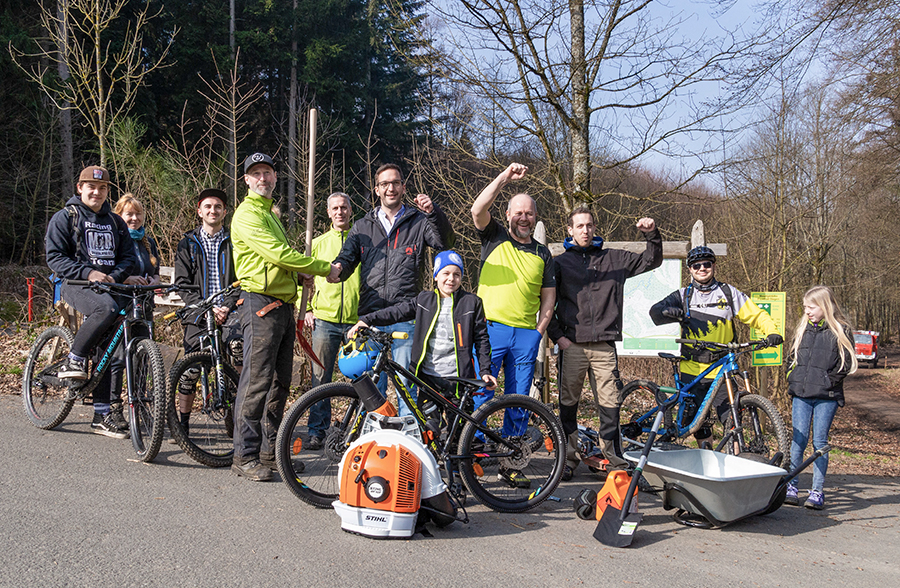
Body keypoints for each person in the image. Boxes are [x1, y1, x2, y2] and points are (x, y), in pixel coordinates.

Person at [230, 153, 342, 481]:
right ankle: (244, 455)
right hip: (259, 305)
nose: (262, 178)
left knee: (281, 383)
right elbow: (278, 254)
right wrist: (322, 268)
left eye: (267, 172)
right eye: (256, 174)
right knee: (256, 381)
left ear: (275, 177)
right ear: (247, 180)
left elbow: (276, 263)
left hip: (282, 306)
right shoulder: (247, 214)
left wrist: (298, 276)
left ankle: (270, 452)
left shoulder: (270, 215)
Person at [548, 207, 662, 480]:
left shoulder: (614, 259)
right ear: (569, 230)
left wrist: (652, 235)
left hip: (604, 346)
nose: (585, 230)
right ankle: (568, 459)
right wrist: (558, 337)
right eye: (579, 226)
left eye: (589, 225)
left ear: (595, 227)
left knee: (610, 406)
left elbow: (651, 260)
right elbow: (546, 303)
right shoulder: (559, 264)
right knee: (568, 405)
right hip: (572, 346)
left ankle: (613, 460)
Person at [332, 163, 455, 416]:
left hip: (406, 318)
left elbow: (445, 243)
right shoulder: (362, 226)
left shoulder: (419, 221)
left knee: (406, 386)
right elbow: (346, 259)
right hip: (370, 318)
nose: (391, 188)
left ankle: (408, 438)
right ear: (376, 189)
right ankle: (375, 436)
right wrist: (335, 270)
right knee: (370, 388)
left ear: (403, 187)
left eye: (396, 183)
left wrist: (434, 212)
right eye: (385, 184)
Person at [470, 163, 556, 486]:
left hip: (525, 336)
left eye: (529, 213)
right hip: (490, 330)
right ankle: (473, 456)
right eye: (518, 212)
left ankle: (511, 463)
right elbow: (478, 209)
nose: (523, 218)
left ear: (535, 217)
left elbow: (549, 299)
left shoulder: (543, 254)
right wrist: (504, 178)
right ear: (507, 215)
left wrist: (538, 332)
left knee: (519, 401)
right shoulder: (493, 235)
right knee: (481, 394)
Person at [649, 245, 783, 447]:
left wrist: (772, 332)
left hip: (722, 370)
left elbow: (757, 315)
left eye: (706, 264)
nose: (702, 268)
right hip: (692, 369)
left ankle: (736, 458)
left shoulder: (728, 293)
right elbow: (655, 312)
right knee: (696, 425)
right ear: (690, 269)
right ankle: (706, 457)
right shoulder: (683, 295)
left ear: (714, 266)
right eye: (696, 265)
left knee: (732, 420)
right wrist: (668, 312)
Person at [45, 165, 136, 438]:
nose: (97, 192)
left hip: (108, 286)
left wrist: (113, 276)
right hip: (75, 285)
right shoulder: (65, 217)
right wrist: (88, 273)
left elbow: (128, 258)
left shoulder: (116, 222)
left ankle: (101, 414)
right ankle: (74, 358)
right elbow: (55, 258)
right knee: (105, 309)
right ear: (80, 188)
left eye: (102, 188)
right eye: (91, 187)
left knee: (108, 345)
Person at [348, 250, 496, 405]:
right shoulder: (424, 300)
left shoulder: (472, 303)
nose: (451, 279)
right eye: (446, 273)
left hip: (459, 380)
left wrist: (485, 371)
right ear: (436, 275)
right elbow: (396, 312)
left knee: (459, 421)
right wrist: (367, 320)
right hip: (428, 379)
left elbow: (482, 340)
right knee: (427, 420)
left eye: (457, 274)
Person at [172, 188, 240, 438]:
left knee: (239, 349)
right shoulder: (188, 243)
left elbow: (241, 279)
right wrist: (205, 308)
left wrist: (227, 306)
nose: (213, 211)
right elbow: (182, 283)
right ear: (199, 211)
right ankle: (184, 422)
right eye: (208, 207)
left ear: (225, 211)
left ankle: (239, 414)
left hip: (230, 311)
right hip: (199, 313)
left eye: (218, 207)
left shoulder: (234, 241)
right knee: (190, 369)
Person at [784, 286, 857, 510]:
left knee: (820, 442)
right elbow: (791, 358)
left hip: (827, 397)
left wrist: (827, 382)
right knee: (798, 441)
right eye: (805, 307)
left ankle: (817, 491)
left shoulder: (841, 330)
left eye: (811, 307)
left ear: (824, 306)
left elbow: (845, 364)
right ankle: (791, 486)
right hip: (801, 395)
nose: (807, 311)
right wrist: (792, 378)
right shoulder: (802, 329)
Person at [302, 192, 361, 449]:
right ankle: (317, 431)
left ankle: (359, 431)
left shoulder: (362, 241)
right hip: (324, 320)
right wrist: (305, 309)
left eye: (344, 207)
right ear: (328, 212)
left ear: (351, 210)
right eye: (335, 208)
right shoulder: (317, 244)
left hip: (356, 322)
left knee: (362, 378)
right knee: (320, 378)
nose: (340, 212)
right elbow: (303, 279)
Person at [104, 194, 161, 433]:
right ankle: (113, 406)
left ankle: (139, 404)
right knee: (119, 357)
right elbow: (108, 269)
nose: (134, 218)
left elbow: (155, 270)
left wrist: (155, 280)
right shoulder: (115, 238)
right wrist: (126, 278)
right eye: (129, 214)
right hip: (121, 302)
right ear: (119, 215)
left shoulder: (148, 242)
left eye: (138, 214)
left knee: (143, 357)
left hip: (144, 304)